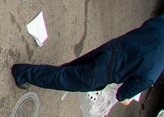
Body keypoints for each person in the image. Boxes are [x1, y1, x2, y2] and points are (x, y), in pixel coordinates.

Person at [11, 14, 164, 103]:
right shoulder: (153, 73)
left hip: (114, 47)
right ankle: (24, 73)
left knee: (72, 68)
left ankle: (31, 73)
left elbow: (148, 24)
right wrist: (126, 98)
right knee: (64, 78)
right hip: (106, 73)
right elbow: (122, 94)